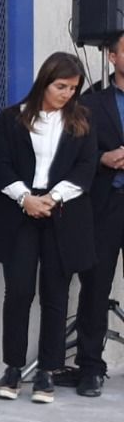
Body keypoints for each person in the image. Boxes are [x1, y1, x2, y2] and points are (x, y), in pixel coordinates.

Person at [0, 52, 96, 403]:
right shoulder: (10, 120)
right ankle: (13, 368)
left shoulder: (82, 121)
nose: (67, 93)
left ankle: (48, 370)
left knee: (56, 294)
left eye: (73, 88)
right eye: (61, 86)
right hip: (19, 213)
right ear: (44, 81)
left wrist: (53, 198)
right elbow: (2, 166)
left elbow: (85, 167)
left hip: (62, 214)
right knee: (17, 292)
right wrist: (26, 199)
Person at [71, 32, 124, 397]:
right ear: (111, 57)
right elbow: (74, 158)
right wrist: (103, 161)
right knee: (95, 285)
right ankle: (90, 367)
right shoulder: (91, 102)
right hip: (105, 207)